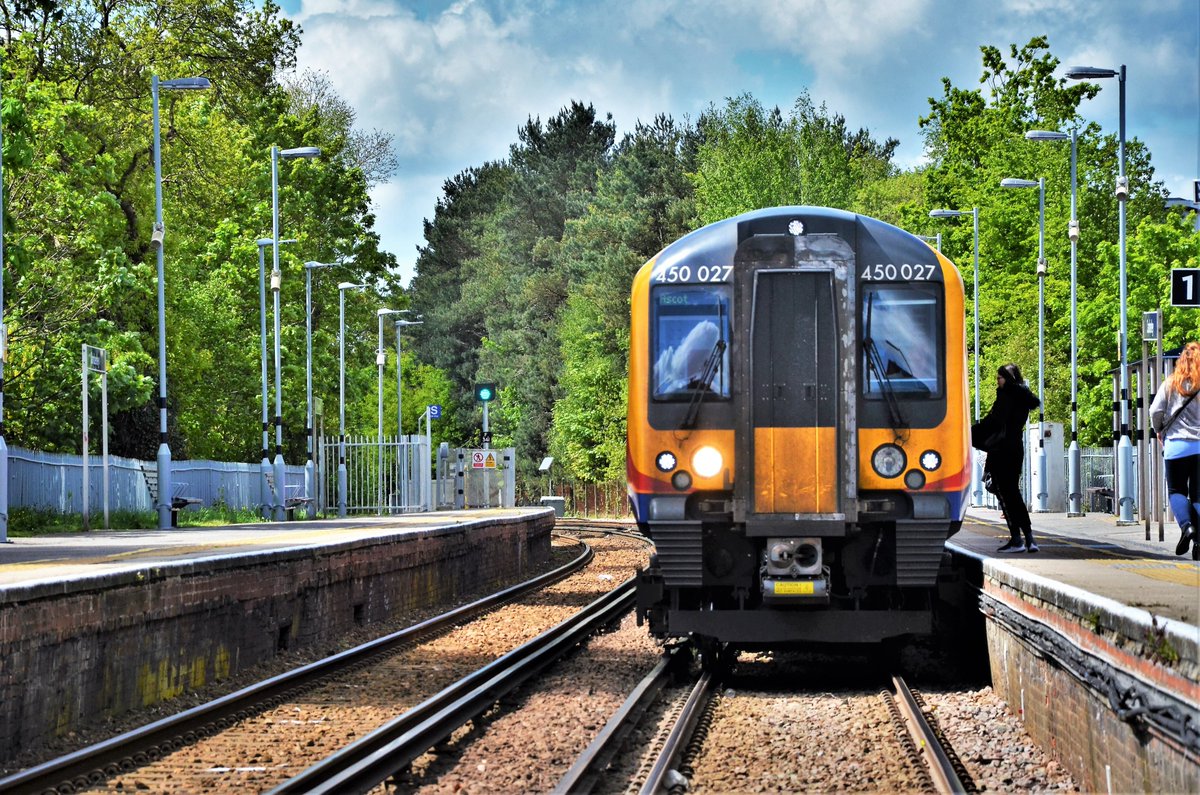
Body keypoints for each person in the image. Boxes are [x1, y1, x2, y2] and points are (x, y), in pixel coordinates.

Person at [972, 363, 1042, 553]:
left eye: (1000, 377)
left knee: (1004, 494)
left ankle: (1016, 539)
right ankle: (1029, 538)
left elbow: (993, 423)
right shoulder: (1024, 398)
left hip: (1000, 449)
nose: (998, 381)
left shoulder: (1006, 397)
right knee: (1014, 493)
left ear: (1009, 378)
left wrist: (970, 433)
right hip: (1015, 448)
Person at [1149, 342, 1200, 560]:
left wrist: (1159, 429)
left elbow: (1155, 410)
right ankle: (1198, 541)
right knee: (1198, 494)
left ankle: (1187, 527)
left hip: (1176, 445)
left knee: (1177, 491)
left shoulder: (1170, 383)